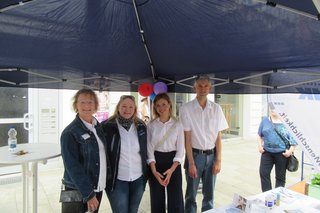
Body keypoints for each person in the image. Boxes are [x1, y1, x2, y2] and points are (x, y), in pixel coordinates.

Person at [179, 75, 229, 213]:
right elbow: (187, 138)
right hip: (195, 156)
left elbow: (218, 136)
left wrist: (218, 160)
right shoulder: (186, 109)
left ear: (210, 88)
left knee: (209, 195)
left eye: (206, 86)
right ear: (194, 87)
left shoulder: (216, 108)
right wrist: (191, 163)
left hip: (212, 156)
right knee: (191, 195)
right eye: (199, 86)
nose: (203, 89)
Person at [60, 89, 109, 213]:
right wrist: (89, 194)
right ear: (76, 105)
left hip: (97, 186)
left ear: (95, 105)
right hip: (81, 190)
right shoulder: (69, 132)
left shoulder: (98, 127)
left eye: (90, 102)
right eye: (82, 102)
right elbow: (72, 167)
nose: (87, 106)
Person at [101, 95, 148, 213]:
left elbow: (146, 150)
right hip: (117, 179)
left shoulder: (141, 126)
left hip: (138, 178)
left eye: (131, 107)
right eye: (124, 106)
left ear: (135, 109)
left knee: (133, 210)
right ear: (118, 108)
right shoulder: (106, 126)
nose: (127, 110)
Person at [147, 93, 185, 213]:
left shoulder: (178, 124)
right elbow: (149, 148)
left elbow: (180, 150)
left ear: (169, 104)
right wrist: (153, 170)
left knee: (176, 198)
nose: (161, 108)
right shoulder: (151, 125)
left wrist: (172, 170)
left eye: (164, 104)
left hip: (173, 163)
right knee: (156, 199)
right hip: (155, 163)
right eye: (158, 105)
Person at [257, 107, 297, 192]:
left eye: (275, 108)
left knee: (280, 176)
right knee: (264, 173)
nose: (273, 110)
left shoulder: (287, 122)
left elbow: (294, 140)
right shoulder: (265, 121)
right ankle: (267, 195)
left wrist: (290, 151)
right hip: (266, 152)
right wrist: (260, 146)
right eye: (272, 108)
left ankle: (278, 195)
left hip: (282, 154)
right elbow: (259, 135)